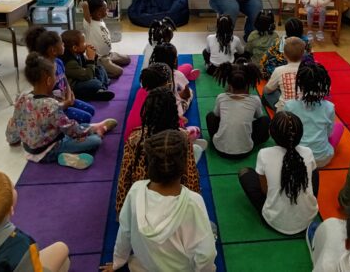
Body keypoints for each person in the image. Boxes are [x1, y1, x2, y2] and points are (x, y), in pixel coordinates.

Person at [104, 130, 216, 272]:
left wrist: (117, 262)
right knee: (211, 230)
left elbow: (124, 232)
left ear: (149, 164)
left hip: (144, 267)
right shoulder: (193, 201)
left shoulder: (136, 190)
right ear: (185, 164)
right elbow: (207, 254)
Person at [6, 53, 116, 169]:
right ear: (49, 80)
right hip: (50, 149)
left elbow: (14, 122)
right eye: (55, 75)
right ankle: (68, 151)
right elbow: (70, 129)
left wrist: (12, 139)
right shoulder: (50, 105)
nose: (56, 78)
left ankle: (93, 128)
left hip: (30, 149)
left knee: (74, 126)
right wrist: (86, 133)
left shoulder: (22, 98)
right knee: (95, 141)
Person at [115, 87, 202, 214]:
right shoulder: (182, 137)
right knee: (196, 150)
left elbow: (125, 175)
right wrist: (194, 200)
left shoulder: (135, 138)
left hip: (143, 198)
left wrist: (121, 209)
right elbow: (190, 173)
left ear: (147, 111)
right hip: (175, 194)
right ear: (173, 111)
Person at [238, 111, 319, 235]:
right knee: (313, 170)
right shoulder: (307, 152)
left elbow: (265, 191)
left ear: (271, 133)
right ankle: (306, 200)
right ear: (301, 134)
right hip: (308, 218)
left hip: (274, 220)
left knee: (244, 173)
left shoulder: (264, 154)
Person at [25, 26, 95, 124]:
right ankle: (66, 128)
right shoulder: (45, 70)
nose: (63, 45)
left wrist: (70, 94)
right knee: (86, 118)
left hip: (66, 99)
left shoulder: (58, 62)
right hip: (56, 108)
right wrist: (65, 103)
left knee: (91, 111)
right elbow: (47, 100)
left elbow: (65, 79)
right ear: (53, 50)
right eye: (61, 43)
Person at [285, 60, 344, 168]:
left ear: (300, 84)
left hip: (296, 160)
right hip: (322, 159)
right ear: (324, 86)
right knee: (339, 126)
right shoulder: (329, 107)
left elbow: (286, 132)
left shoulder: (289, 105)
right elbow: (329, 134)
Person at [206, 61, 269, 158]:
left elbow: (216, 115)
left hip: (219, 149)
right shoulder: (255, 100)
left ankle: (221, 138)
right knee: (265, 120)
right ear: (249, 82)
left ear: (229, 83)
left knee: (210, 116)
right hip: (246, 150)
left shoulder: (221, 97)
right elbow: (259, 117)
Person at [82, 0, 131, 79]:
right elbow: (84, 5)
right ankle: (97, 71)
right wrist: (87, 3)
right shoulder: (88, 24)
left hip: (108, 54)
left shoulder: (100, 20)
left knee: (127, 59)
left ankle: (108, 63)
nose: (107, 10)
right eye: (105, 9)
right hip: (99, 59)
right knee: (118, 71)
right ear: (98, 13)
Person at [61, 29, 114, 102]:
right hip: (74, 85)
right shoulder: (69, 62)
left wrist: (94, 58)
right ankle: (99, 88)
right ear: (75, 48)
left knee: (100, 68)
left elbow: (87, 67)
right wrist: (91, 59)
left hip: (82, 76)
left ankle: (100, 89)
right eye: (84, 42)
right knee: (95, 83)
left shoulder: (78, 53)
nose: (86, 44)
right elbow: (87, 76)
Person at [150, 42, 193, 118]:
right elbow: (187, 94)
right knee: (190, 92)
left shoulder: (150, 73)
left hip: (155, 113)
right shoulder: (177, 74)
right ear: (175, 60)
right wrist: (179, 95)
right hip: (174, 114)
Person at [262, 36, 305, 111]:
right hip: (304, 108)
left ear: (284, 55)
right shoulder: (309, 70)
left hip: (283, 114)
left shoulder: (279, 70)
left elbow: (267, 90)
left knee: (266, 92)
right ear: (303, 54)